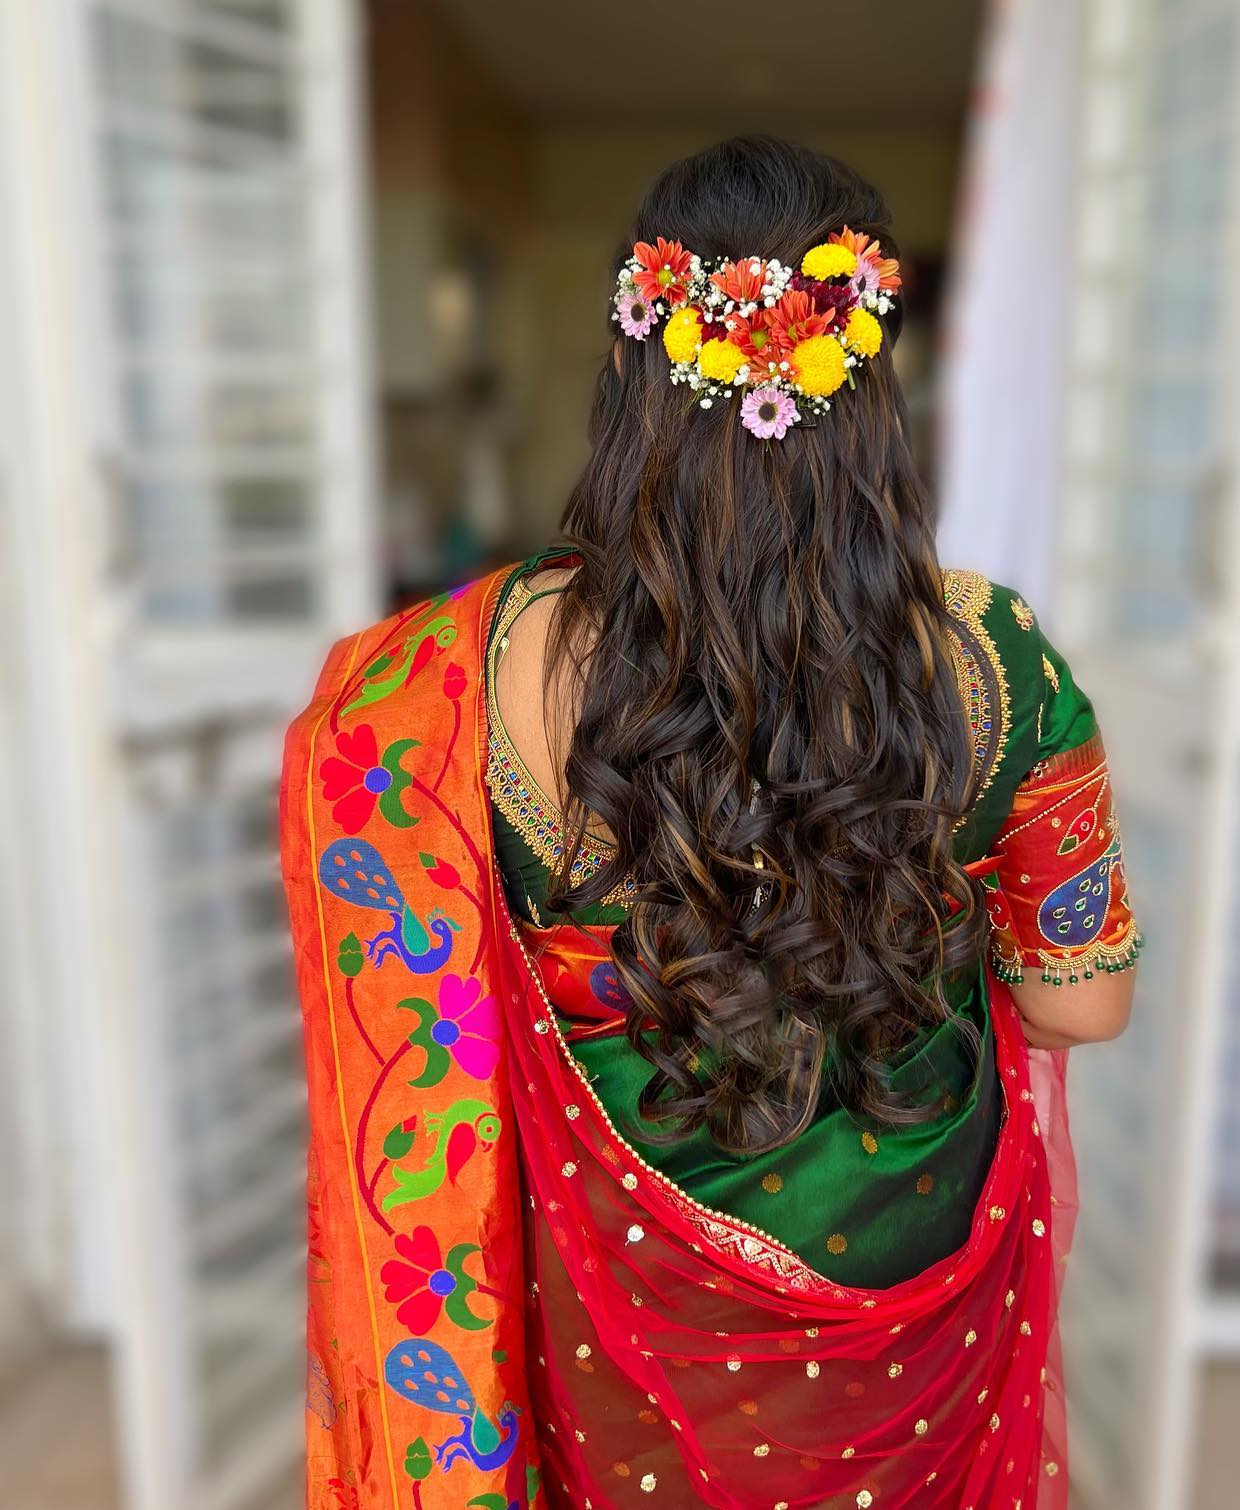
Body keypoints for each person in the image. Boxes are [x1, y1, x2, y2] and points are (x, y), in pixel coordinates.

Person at [282, 136, 1138, 1510]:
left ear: (625, 370)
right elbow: (1081, 1008)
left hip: (619, 1340)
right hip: (904, 1338)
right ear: (874, 391)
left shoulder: (451, 682)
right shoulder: (995, 661)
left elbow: (429, 1041)